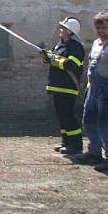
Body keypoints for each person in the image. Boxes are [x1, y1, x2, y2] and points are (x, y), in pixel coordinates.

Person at [72, 12, 108, 172]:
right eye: (98, 27)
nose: (101, 30)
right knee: (88, 120)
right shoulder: (97, 43)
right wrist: (90, 85)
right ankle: (94, 152)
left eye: (104, 27)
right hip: (94, 88)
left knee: (105, 124)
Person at [41, 17, 85, 155]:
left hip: (68, 88)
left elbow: (71, 65)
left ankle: (76, 145)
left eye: (64, 28)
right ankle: (66, 142)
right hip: (56, 86)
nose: (61, 30)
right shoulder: (59, 45)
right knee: (62, 116)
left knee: (68, 116)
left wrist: (54, 60)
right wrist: (45, 56)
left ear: (70, 32)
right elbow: (52, 61)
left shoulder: (76, 47)